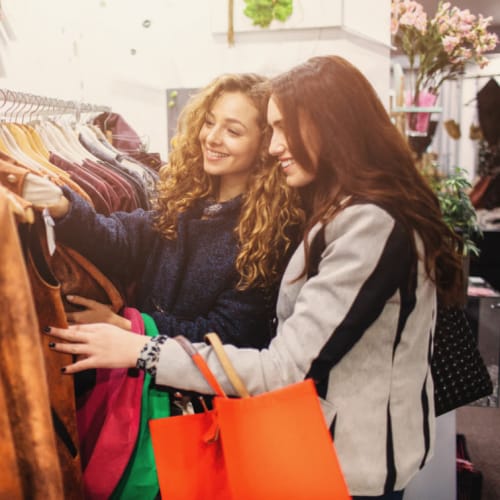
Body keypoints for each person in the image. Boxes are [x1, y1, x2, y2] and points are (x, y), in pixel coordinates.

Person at [46, 55, 464, 499]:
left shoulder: (369, 223)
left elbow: (284, 366)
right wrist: (63, 206)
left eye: (282, 128)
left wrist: (142, 346)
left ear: (328, 127)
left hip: (344, 467)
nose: (274, 146)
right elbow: (129, 236)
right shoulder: (333, 211)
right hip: (315, 448)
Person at [46, 73, 303, 353]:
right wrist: (64, 207)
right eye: (209, 122)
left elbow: (229, 334)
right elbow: (121, 239)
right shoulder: (187, 203)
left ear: (265, 145)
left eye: (233, 131)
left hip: (194, 389)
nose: (212, 138)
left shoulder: (272, 232)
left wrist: (128, 325)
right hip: (145, 373)